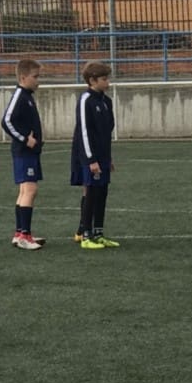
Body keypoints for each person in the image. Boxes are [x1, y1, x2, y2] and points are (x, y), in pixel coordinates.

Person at [70, 61, 118, 249]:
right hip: (89, 157)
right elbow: (84, 131)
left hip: (103, 156)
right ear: (92, 80)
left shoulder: (106, 101)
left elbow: (107, 131)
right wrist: (91, 159)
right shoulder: (86, 100)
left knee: (102, 192)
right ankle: (86, 235)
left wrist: (108, 157)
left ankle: (98, 233)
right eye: (104, 79)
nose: (108, 82)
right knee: (91, 191)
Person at [1, 58, 46, 251]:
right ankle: (25, 236)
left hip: (29, 152)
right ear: (22, 77)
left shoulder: (27, 95)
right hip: (23, 152)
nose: (38, 81)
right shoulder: (19, 95)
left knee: (24, 191)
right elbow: (6, 121)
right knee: (30, 191)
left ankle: (20, 233)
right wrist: (24, 139)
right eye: (35, 77)